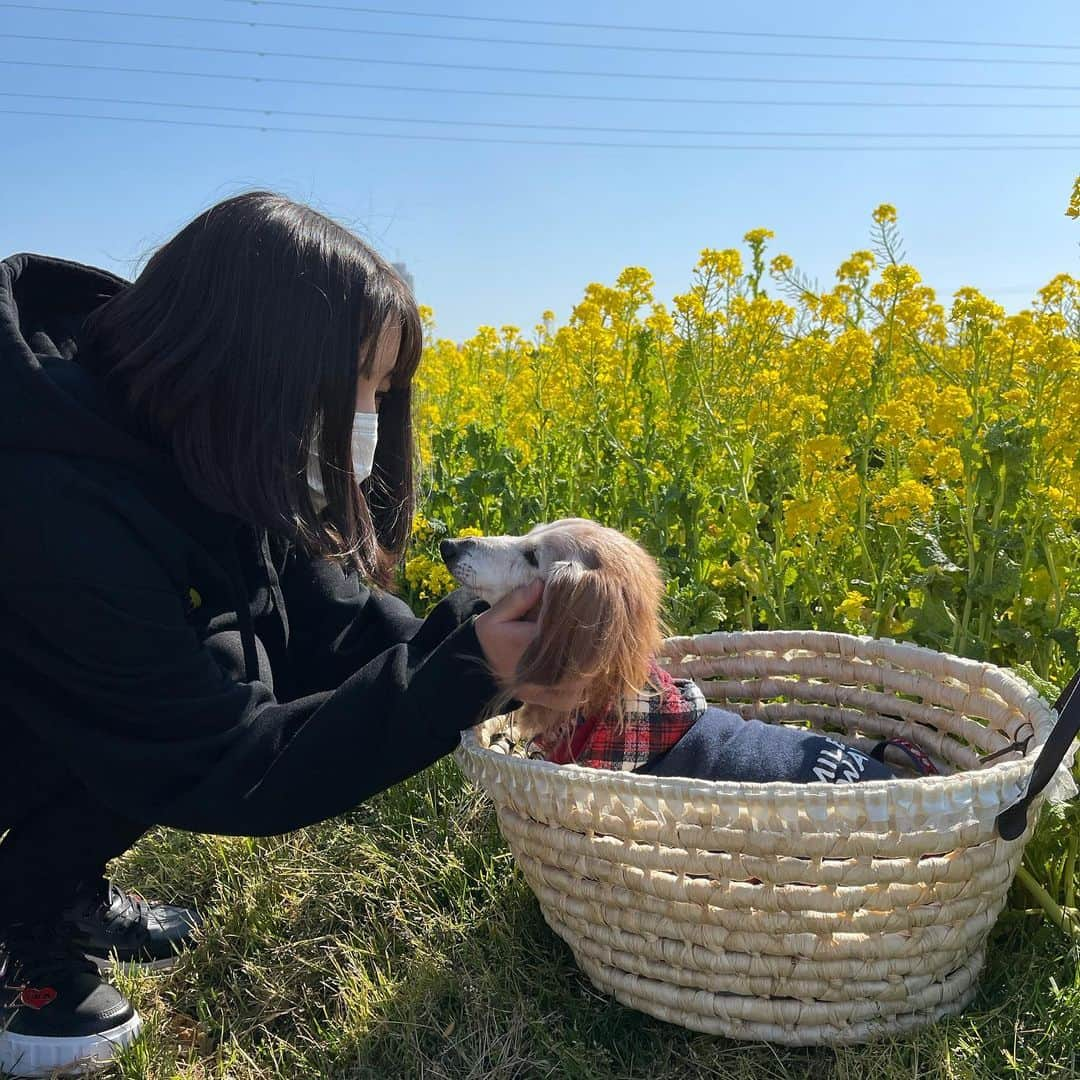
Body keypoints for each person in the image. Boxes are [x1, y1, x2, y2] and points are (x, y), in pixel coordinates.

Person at [0, 191, 580, 1078]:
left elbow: (324, 618)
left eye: (383, 391)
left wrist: (492, 646)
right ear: (256, 357)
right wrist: (465, 671)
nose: (369, 418)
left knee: (209, 657)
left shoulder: (188, 433)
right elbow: (218, 759)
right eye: (358, 381)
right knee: (149, 704)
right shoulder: (46, 496)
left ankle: (42, 894)